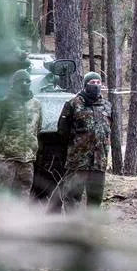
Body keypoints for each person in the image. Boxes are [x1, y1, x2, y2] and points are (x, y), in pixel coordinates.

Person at [56, 72, 113, 209]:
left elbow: (109, 128)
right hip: (78, 161)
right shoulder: (73, 104)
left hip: (99, 161)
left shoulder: (107, 105)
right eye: (92, 83)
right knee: (73, 195)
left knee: (96, 198)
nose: (96, 86)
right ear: (85, 84)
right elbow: (62, 131)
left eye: (98, 83)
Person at [0, 69, 42, 198]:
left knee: (23, 193)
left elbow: (37, 127)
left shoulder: (36, 104)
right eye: (21, 81)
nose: (25, 84)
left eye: (27, 81)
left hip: (27, 159)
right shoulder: (3, 104)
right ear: (14, 84)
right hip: (7, 158)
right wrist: (5, 144)